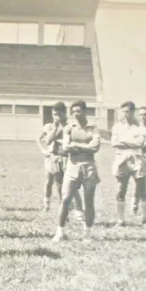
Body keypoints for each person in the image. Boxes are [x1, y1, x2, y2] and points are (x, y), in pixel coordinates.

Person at [52, 100, 101, 242]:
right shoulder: (69, 127)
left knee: (89, 201)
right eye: (73, 112)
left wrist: (77, 145)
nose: (75, 114)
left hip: (89, 166)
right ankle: (60, 232)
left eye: (78, 111)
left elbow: (95, 147)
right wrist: (85, 145)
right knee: (65, 199)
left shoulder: (93, 128)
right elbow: (66, 147)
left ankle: (87, 233)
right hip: (72, 167)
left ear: (85, 111)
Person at [35, 102, 84, 215]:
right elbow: (45, 140)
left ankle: (72, 208)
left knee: (68, 184)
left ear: (64, 113)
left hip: (67, 157)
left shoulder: (71, 125)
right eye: (53, 114)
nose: (55, 117)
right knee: (50, 181)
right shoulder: (50, 126)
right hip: (52, 156)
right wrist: (43, 150)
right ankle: (47, 204)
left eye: (57, 114)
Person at [110, 101, 146, 225]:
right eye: (123, 112)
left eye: (127, 111)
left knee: (142, 189)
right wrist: (131, 142)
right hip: (122, 159)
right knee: (120, 190)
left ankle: (144, 219)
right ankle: (120, 219)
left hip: (138, 159)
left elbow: (140, 144)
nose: (125, 114)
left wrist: (124, 142)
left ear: (133, 111)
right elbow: (114, 143)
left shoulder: (140, 127)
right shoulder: (117, 126)